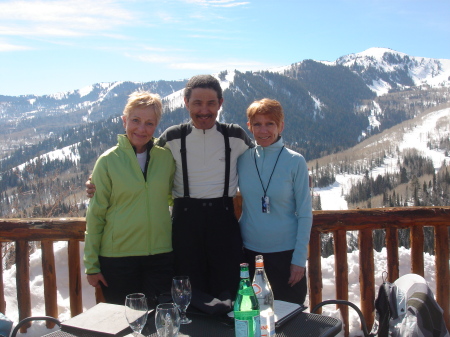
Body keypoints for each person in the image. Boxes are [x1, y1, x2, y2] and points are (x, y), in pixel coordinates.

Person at [156, 75, 254, 299]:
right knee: (189, 294)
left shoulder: (235, 136)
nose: (204, 110)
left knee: (229, 291)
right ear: (186, 102)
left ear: (220, 103)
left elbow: (263, 162)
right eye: (197, 103)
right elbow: (141, 164)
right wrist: (98, 181)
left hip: (224, 223)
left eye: (211, 103)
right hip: (185, 226)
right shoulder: (172, 137)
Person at [84, 91, 175, 307]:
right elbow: (96, 215)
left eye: (149, 123)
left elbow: (173, 197)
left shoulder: (166, 158)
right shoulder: (108, 161)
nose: (141, 129)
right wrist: (92, 265)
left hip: (160, 257)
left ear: (156, 126)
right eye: (135, 120)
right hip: (118, 260)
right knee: (123, 323)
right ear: (125, 121)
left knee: (159, 321)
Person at [237, 98, 312, 305]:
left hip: (285, 256)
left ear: (281, 126)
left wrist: (299, 260)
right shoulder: (243, 159)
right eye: (257, 124)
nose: (263, 130)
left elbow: (305, 213)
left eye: (270, 123)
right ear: (249, 126)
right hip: (250, 253)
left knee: (289, 320)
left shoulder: (295, 161)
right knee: (254, 316)